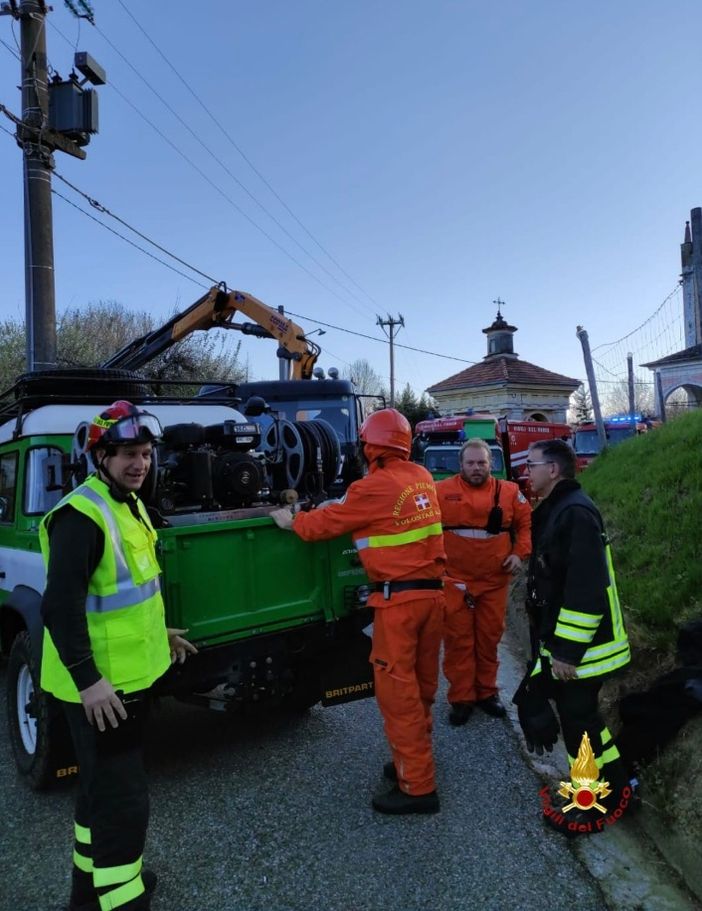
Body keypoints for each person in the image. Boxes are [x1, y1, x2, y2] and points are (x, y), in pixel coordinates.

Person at [40, 401, 197, 911]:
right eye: (129, 453)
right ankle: (123, 899)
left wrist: (162, 632)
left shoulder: (126, 504)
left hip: (126, 681)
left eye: (147, 453)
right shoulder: (80, 516)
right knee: (124, 804)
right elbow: (59, 609)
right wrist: (89, 682)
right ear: (101, 456)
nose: (141, 464)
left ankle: (86, 896)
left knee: (98, 795)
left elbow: (127, 595)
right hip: (103, 692)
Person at [270, 408, 446, 815]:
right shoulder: (421, 477)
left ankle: (418, 787)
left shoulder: (370, 488)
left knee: (397, 694)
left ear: (370, 446)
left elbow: (323, 524)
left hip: (398, 604)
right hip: (433, 599)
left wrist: (292, 521)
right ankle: (412, 761)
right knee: (420, 687)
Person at [524, 438, 631, 835]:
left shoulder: (575, 514)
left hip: (587, 651)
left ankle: (591, 808)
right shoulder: (560, 510)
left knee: (579, 728)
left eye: (532, 464)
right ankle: (619, 789)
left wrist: (567, 652)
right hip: (576, 647)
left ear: (553, 470)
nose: (526, 471)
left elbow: (584, 589)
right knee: (587, 722)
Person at [437, 438, 531, 724]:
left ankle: (487, 693)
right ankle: (462, 698)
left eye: (482, 463)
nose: (476, 468)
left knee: (489, 640)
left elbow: (526, 525)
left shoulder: (511, 492)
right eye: (471, 463)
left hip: (494, 582)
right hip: (455, 581)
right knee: (458, 642)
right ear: (461, 464)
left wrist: (519, 553)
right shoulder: (440, 491)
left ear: (491, 464)